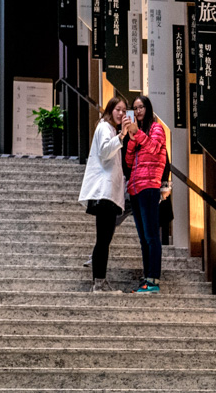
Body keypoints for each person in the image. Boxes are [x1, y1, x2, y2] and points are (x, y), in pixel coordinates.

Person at [77, 95, 127, 293]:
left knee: (105, 238)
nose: (121, 113)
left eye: (124, 110)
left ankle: (100, 281)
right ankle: (98, 282)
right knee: (103, 238)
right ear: (110, 110)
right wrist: (122, 135)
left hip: (109, 192)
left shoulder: (110, 129)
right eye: (118, 110)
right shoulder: (105, 127)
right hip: (104, 193)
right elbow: (106, 152)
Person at [123, 95, 170, 294]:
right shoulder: (139, 132)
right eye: (135, 108)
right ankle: (147, 276)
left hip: (150, 186)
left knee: (151, 236)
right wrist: (132, 138)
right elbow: (128, 161)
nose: (138, 111)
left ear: (148, 108)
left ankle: (153, 280)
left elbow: (154, 149)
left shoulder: (156, 128)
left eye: (141, 107)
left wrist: (138, 135)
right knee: (143, 237)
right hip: (135, 188)